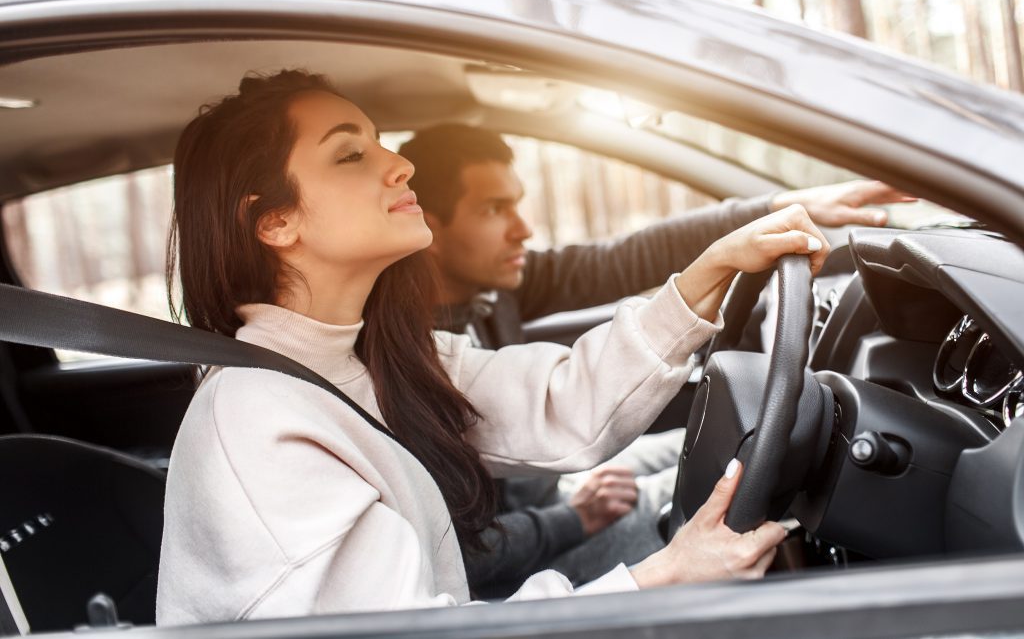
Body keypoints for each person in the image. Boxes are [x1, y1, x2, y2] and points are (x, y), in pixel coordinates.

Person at [156, 69, 831, 624]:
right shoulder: (259, 422)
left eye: (380, 141)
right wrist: (668, 573)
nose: (400, 164)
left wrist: (713, 269)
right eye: (350, 153)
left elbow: (565, 403)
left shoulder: (370, 357)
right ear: (274, 220)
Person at [398, 124, 913, 594]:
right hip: (530, 564)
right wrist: (575, 518)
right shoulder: (404, 358)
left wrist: (778, 209)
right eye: (493, 210)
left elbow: (627, 257)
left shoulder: (489, 290)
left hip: (555, 493)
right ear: (431, 229)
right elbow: (465, 561)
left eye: (517, 204)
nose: (523, 229)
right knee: (753, 481)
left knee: (706, 447)